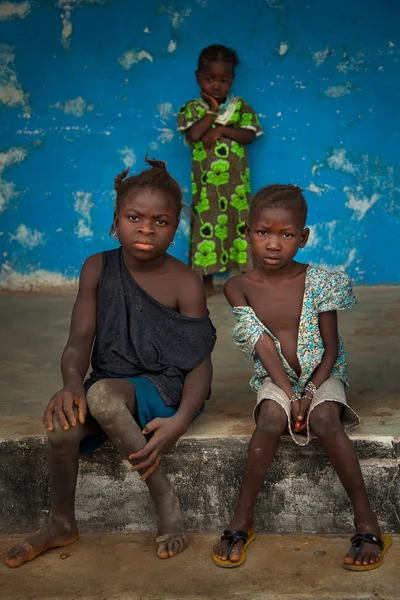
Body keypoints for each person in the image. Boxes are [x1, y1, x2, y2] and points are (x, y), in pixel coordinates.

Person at [5, 157, 216, 569]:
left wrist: (182, 420)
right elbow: (79, 340)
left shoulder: (185, 281)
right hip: (111, 385)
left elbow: (198, 362)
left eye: (162, 221)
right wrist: (70, 383)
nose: (146, 228)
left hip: (166, 389)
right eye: (134, 217)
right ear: (115, 220)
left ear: (175, 230)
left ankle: (165, 501)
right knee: (64, 427)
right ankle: (61, 523)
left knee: (100, 396)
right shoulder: (97, 267)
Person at [212, 184, 391, 570]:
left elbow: (329, 349)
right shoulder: (238, 287)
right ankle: (242, 518)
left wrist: (309, 391)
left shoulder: (320, 282)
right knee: (270, 419)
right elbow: (261, 345)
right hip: (276, 376)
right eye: (263, 233)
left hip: (322, 373)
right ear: (247, 232)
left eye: (286, 234)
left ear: (303, 237)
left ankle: (367, 522)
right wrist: (289, 395)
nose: (273, 244)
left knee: (325, 418)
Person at [178, 44, 263, 298]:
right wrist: (213, 111)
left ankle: (246, 279)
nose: (216, 85)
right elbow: (194, 135)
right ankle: (206, 282)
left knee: (241, 227)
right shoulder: (192, 109)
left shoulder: (240, 108)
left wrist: (223, 130)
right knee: (207, 226)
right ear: (198, 78)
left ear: (232, 80)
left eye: (223, 80)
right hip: (207, 188)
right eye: (209, 79)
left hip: (236, 188)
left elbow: (250, 135)